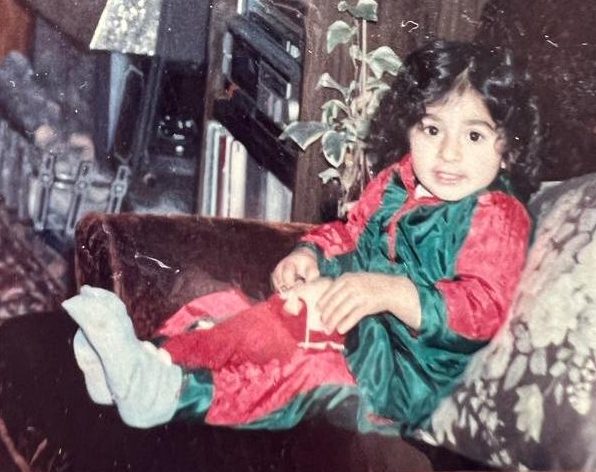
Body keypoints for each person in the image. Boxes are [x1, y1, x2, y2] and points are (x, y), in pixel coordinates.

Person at [62, 40, 541, 435]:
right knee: (245, 312)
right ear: (409, 127)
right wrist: (310, 253)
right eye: (432, 129)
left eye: (474, 136)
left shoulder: (496, 215)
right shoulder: (398, 181)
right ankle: (148, 363)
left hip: (406, 384)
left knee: (308, 371)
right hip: (356, 331)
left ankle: (169, 394)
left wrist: (390, 292)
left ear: (509, 146)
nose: (448, 153)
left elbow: (481, 309)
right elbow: (349, 234)